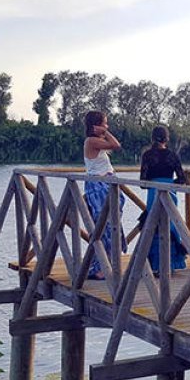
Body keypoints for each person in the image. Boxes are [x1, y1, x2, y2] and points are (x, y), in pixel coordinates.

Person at [139, 125, 188, 273]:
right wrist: (168, 183)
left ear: (152, 138)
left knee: (153, 225)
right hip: (169, 193)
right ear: (167, 138)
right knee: (170, 224)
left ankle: (153, 265)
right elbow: (182, 179)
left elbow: (143, 182)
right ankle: (170, 264)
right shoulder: (173, 155)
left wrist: (156, 182)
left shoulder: (147, 155)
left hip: (154, 193)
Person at [83, 110, 124, 281]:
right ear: (95, 125)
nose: (107, 127)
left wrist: (103, 131)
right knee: (103, 226)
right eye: (104, 123)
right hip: (98, 185)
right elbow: (116, 145)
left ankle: (108, 264)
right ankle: (99, 267)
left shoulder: (98, 141)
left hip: (107, 183)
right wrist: (105, 132)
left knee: (112, 224)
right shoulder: (91, 141)